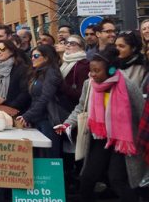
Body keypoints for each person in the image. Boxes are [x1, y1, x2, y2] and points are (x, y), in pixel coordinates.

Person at [57, 47, 144, 201]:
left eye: (97, 71)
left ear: (111, 71)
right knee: (87, 178)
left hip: (123, 139)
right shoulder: (89, 84)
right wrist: (67, 124)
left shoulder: (128, 86)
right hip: (100, 136)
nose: (92, 74)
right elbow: (81, 106)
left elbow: (142, 112)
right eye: (91, 70)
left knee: (117, 179)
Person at [16, 45, 65, 158]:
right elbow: (35, 99)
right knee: (39, 155)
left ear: (46, 58)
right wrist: (29, 117)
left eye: (36, 56)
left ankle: (53, 176)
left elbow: (45, 97)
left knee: (49, 156)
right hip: (39, 119)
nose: (32, 58)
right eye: (31, 56)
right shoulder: (38, 73)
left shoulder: (52, 72)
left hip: (49, 120)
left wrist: (28, 116)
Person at [0, 40, 31, 115]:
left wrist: (7, 105)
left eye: (3, 49)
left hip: (17, 111)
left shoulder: (22, 68)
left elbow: (25, 92)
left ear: (11, 51)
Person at [59, 35, 90, 113]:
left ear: (81, 48)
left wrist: (60, 83)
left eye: (72, 43)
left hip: (74, 109)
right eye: (67, 43)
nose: (68, 45)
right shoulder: (65, 62)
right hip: (63, 105)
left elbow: (81, 93)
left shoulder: (84, 65)